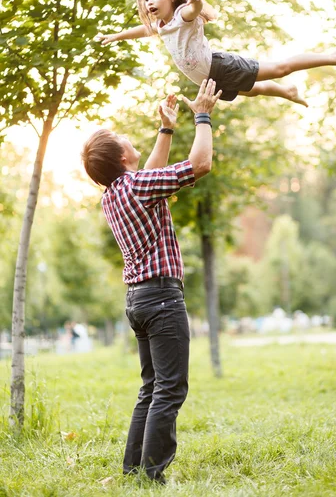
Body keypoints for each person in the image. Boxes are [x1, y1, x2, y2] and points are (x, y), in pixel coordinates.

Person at [81, 78, 221, 484]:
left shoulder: (115, 194)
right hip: (161, 300)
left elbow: (149, 177)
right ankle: (151, 475)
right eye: (124, 138)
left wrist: (166, 129)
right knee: (170, 389)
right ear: (124, 156)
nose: (129, 138)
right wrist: (203, 116)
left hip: (138, 300)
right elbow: (200, 165)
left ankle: (134, 470)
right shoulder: (138, 187)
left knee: (151, 387)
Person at [95, 0, 336, 107]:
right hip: (209, 80)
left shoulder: (182, 16)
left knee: (281, 68)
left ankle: (334, 56)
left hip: (219, 66)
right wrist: (116, 36)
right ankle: (288, 92)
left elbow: (193, 11)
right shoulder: (163, 24)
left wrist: (197, 2)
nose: (149, 1)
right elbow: (144, 30)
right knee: (254, 90)